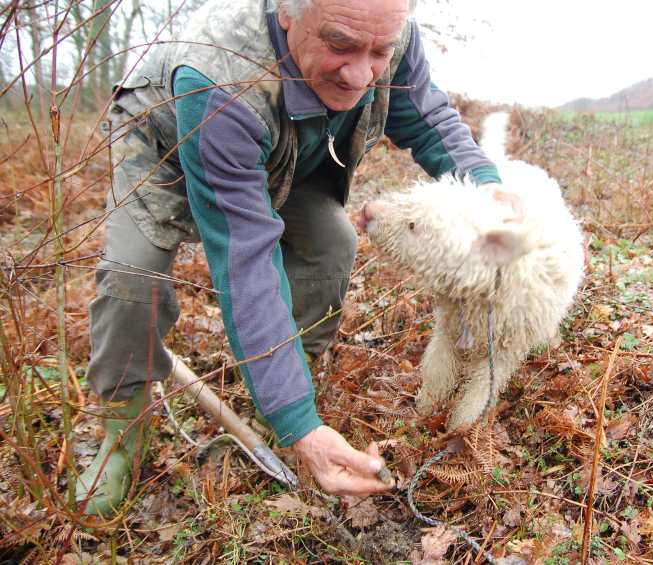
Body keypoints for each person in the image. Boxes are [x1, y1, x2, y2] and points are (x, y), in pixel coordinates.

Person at [76, 0, 500, 516]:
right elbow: (245, 259)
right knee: (132, 279)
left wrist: (490, 192)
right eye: (340, 45)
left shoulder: (387, 29)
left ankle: (287, 385)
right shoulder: (220, 77)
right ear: (286, 13)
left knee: (331, 245)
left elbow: (429, 120)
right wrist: (298, 422)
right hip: (166, 141)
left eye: (380, 52)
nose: (360, 74)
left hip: (283, 149)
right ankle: (124, 437)